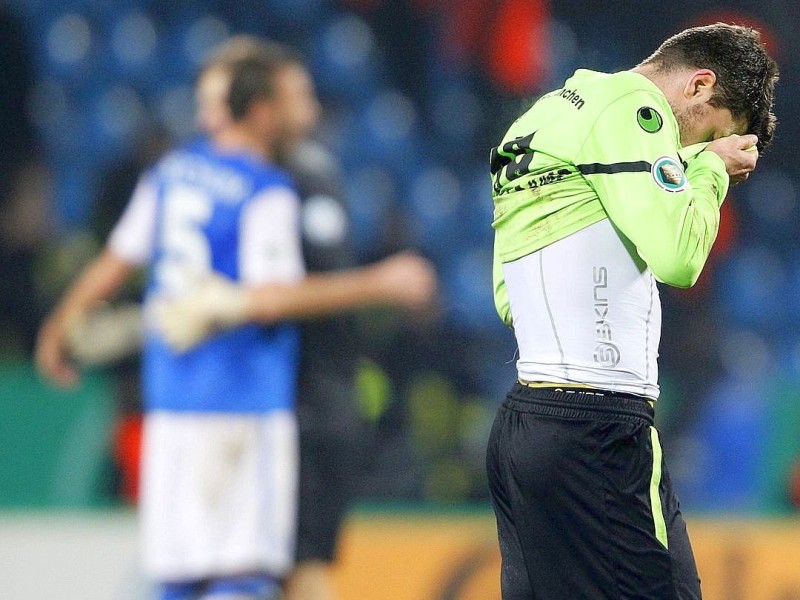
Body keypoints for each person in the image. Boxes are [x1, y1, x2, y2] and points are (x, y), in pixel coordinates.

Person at [36, 50, 435, 600]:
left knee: (178, 573)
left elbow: (116, 259)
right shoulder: (264, 189)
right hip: (244, 401)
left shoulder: (169, 173)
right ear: (263, 111)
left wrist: (60, 323)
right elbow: (269, 299)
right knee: (243, 574)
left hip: (171, 401)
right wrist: (380, 283)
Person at [486, 23, 777, 599]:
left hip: (526, 424)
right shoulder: (637, 110)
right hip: (599, 425)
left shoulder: (546, 113)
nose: (688, 149)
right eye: (708, 133)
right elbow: (680, 259)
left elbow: (506, 295)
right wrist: (710, 171)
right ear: (699, 85)